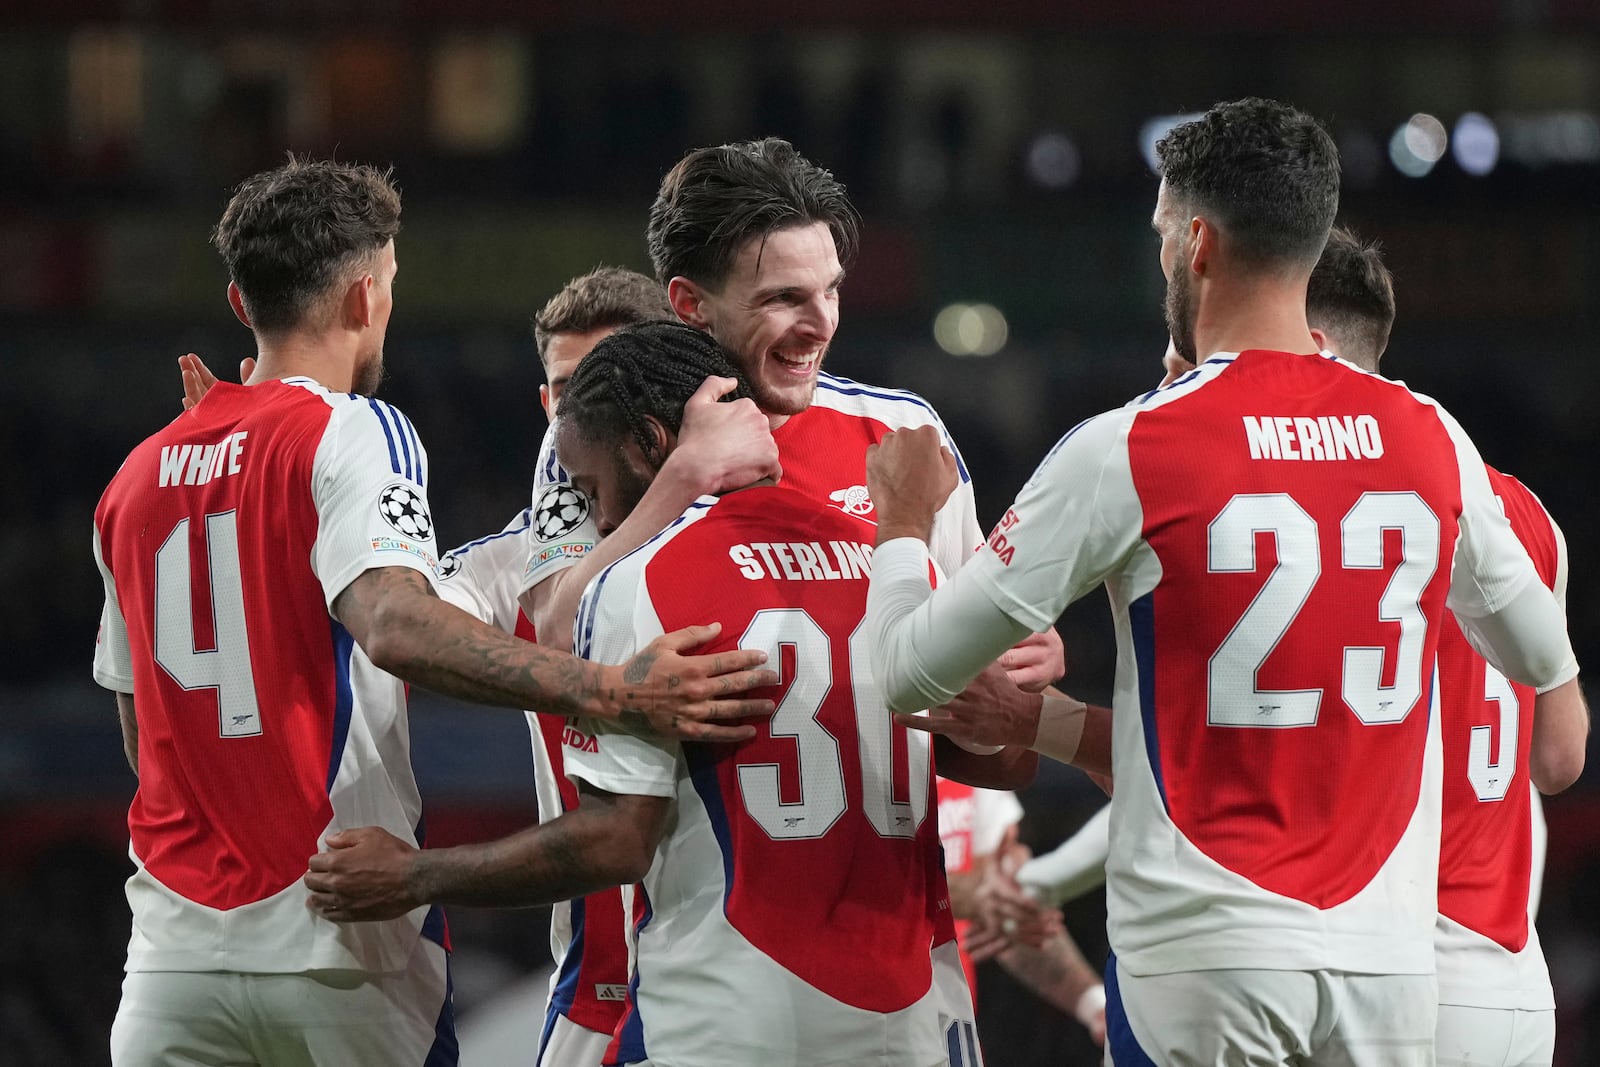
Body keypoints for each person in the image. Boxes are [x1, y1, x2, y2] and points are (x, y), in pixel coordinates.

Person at [858, 98, 1582, 1066]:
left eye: (1162, 230)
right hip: (1389, 961)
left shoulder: (1133, 442)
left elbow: (909, 675)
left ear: (1192, 241)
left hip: (1207, 947)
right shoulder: (1430, 436)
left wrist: (904, 523)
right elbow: (1539, 662)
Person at [91, 159, 777, 1067]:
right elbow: (401, 624)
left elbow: (150, 733)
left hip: (171, 968)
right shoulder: (361, 434)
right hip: (344, 948)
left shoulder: (133, 477)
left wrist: (230, 452)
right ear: (367, 296)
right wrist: (611, 688)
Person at [304, 322, 991, 1067]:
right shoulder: (900, 568)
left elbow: (615, 840)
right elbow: (998, 754)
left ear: (649, 444)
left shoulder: (637, 579)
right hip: (909, 1019)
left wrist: (412, 875)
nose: (598, 517)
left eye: (594, 487)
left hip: (724, 1013)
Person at [520, 137, 1065, 699]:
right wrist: (687, 474)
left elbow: (980, 670)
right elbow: (557, 642)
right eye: (783, 298)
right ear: (690, 304)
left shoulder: (899, 432)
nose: (822, 324)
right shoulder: (605, 430)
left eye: (830, 291)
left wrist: (1015, 647)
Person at [435, 266, 774, 1067]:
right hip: (598, 995)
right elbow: (394, 625)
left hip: (749, 989)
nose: (590, 405)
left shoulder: (763, 544)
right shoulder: (501, 567)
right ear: (550, 408)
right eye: (569, 387)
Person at [1300, 227, 1587, 1067]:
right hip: (1510, 979)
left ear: (1311, 341)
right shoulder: (1530, 512)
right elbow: (1560, 757)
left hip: (1387, 977)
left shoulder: (1316, 509)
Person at [936, 781, 1107, 1048]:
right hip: (861, 1020)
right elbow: (864, 887)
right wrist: (982, 897)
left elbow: (1007, 912)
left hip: (948, 1032)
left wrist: (1095, 1005)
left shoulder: (966, 757)